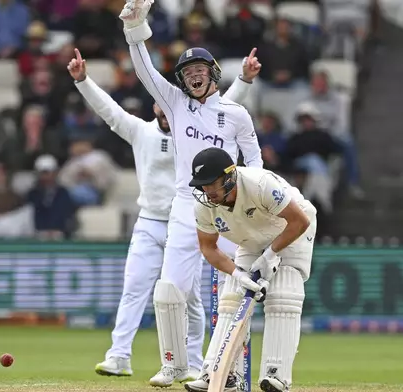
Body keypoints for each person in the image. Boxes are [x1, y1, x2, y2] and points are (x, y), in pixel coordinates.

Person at [65, 48, 260, 378]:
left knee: (204, 297)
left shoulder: (201, 112)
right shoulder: (144, 130)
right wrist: (83, 81)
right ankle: (125, 356)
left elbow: (223, 108)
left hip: (209, 210)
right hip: (157, 221)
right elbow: (110, 111)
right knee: (153, 291)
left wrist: (244, 79)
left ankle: (204, 365)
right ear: (157, 103)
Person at [119, 0, 264, 386]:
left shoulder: (235, 113)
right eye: (188, 72)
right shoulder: (175, 103)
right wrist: (134, 29)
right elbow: (145, 71)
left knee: (236, 291)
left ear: (213, 73)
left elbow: (255, 161)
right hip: (188, 204)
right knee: (169, 292)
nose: (194, 76)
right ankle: (176, 365)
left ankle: (228, 371)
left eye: (200, 70)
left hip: (233, 205)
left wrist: (256, 203)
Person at [184, 147, 316, 392]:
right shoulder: (205, 206)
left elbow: (299, 221)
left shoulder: (259, 184)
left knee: (283, 296)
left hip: (292, 229)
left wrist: (272, 254)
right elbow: (209, 248)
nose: (208, 192)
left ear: (230, 176)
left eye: (212, 184)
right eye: (203, 185)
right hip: (251, 239)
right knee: (232, 297)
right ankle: (218, 373)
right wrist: (237, 274)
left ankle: (276, 375)